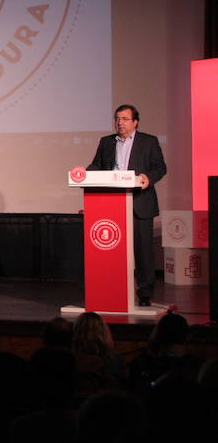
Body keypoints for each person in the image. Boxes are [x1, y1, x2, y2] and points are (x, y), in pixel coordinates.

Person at [87, 104, 167, 306]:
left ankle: (145, 294)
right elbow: (97, 165)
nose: (120, 123)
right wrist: (84, 173)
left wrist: (148, 177)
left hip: (140, 202)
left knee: (143, 251)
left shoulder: (148, 141)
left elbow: (160, 167)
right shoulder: (106, 142)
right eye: (117, 119)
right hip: (112, 204)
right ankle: (112, 289)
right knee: (112, 250)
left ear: (135, 122)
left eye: (124, 119)